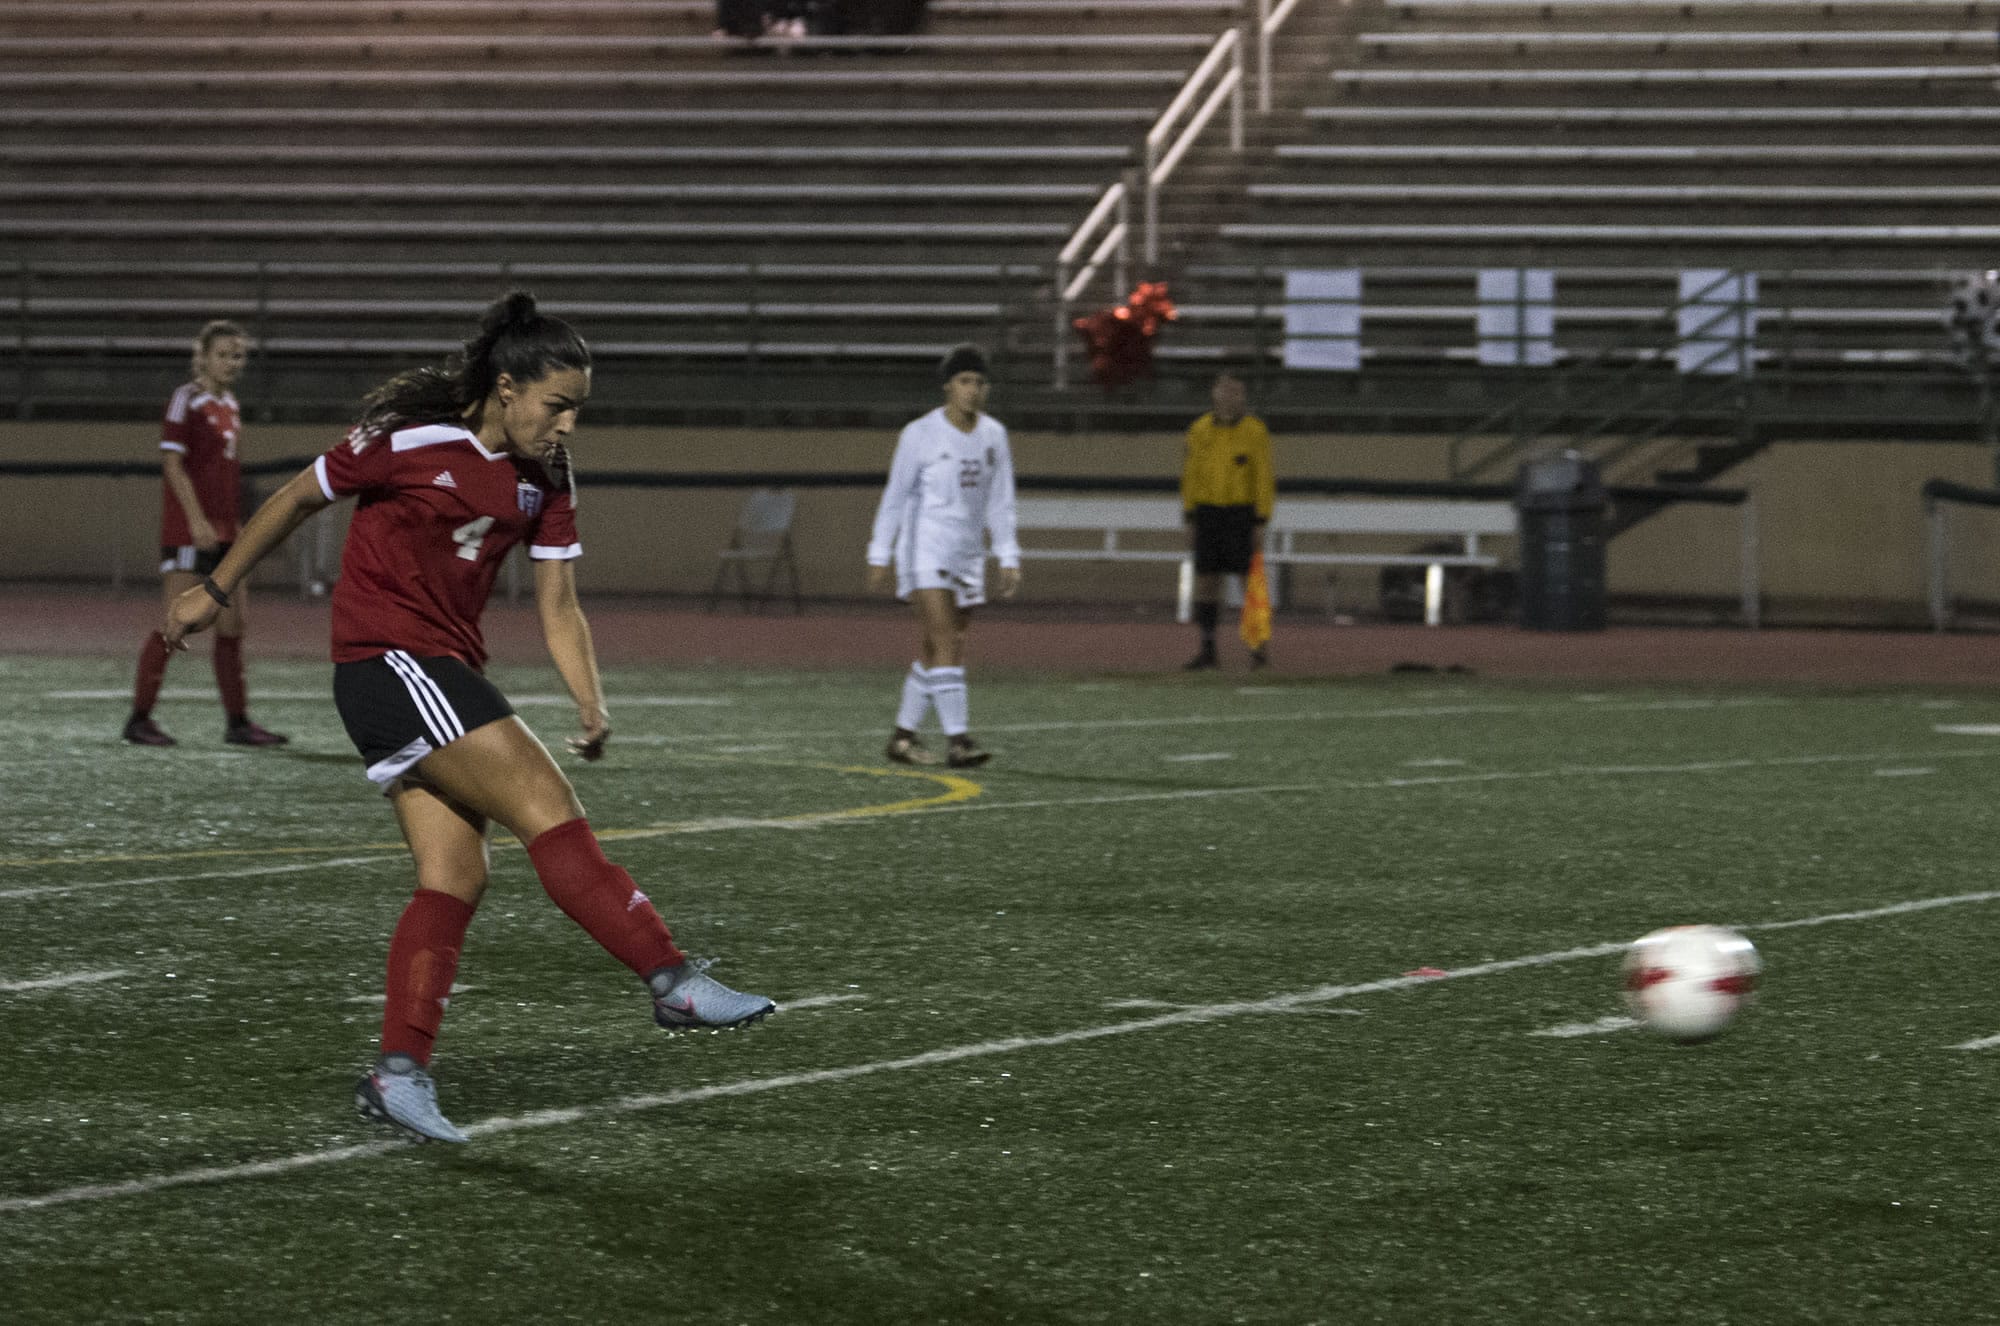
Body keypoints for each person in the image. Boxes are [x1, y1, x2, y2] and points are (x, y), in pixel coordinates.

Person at [162, 292, 774, 1144]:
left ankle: (398, 1076)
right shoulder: (406, 442)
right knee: (545, 806)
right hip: (387, 662)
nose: (567, 426)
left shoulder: (547, 477)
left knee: (456, 877)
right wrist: (216, 587)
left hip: (436, 673)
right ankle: (672, 980)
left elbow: (560, 601)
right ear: (508, 386)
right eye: (557, 406)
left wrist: (591, 701)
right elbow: (300, 498)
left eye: (578, 411)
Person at [123, 320, 289, 748]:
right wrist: (195, 520)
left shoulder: (229, 404)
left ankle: (238, 724)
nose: (232, 362)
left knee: (233, 624)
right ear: (202, 357)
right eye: (223, 354)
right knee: (174, 622)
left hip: (226, 532)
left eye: (238, 355)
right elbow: (173, 464)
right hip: (187, 530)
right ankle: (139, 719)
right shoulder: (186, 399)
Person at [867, 342, 1020, 768]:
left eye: (980, 382)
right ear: (948, 387)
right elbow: (895, 497)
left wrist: (1007, 553)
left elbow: (1000, 501)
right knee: (945, 639)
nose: (973, 389)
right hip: (925, 549)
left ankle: (901, 737)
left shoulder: (994, 435)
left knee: (940, 648)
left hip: (968, 554)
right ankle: (959, 741)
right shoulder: (920, 434)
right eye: (965, 381)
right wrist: (880, 552)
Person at [1180, 370, 1275, 671]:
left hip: (1240, 514)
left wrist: (1260, 520)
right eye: (1225, 390)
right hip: (1208, 512)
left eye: (1236, 391)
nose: (1230, 397)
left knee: (1249, 582)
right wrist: (1190, 516)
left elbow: (1263, 477)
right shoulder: (1199, 430)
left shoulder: (1255, 432)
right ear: (1214, 393)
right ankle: (1208, 649)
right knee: (1207, 582)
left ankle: (1258, 648)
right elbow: (1191, 475)